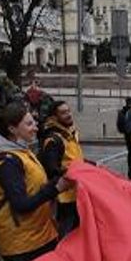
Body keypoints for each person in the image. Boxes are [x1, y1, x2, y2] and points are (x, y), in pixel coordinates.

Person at [0, 103, 71, 261]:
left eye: (34, 123)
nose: (36, 128)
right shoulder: (7, 162)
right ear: (12, 129)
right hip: (24, 247)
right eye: (29, 124)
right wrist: (56, 188)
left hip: (41, 236)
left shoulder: (21, 152)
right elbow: (21, 204)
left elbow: (35, 184)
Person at [39, 101, 84, 235]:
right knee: (66, 231)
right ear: (54, 117)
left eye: (68, 111)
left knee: (77, 230)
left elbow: (74, 159)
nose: (69, 115)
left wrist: (91, 167)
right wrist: (75, 173)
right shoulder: (53, 140)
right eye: (63, 113)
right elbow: (51, 169)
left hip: (76, 192)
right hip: (63, 197)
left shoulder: (70, 134)